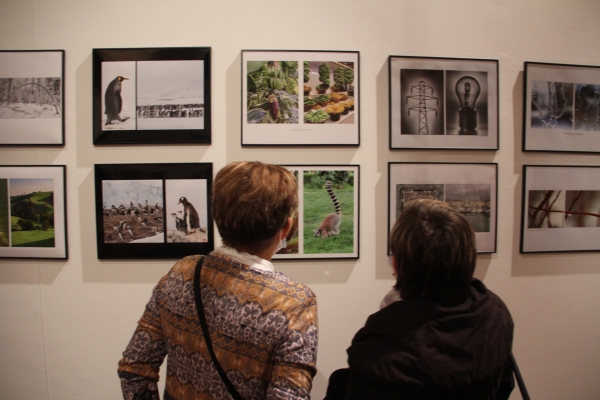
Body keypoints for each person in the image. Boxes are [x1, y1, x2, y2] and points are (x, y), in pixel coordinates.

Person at [118, 161, 318, 400]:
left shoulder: (181, 272)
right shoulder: (294, 301)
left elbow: (134, 367)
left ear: (217, 217)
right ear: (285, 228)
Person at [342, 199, 514, 399]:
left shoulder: (381, 351)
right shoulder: (495, 314)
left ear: (396, 264)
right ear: (468, 258)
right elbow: (504, 385)